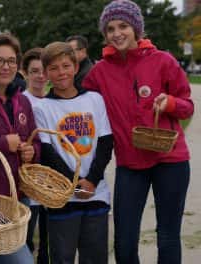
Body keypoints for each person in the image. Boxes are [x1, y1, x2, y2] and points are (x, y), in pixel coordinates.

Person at [82, 1, 194, 263]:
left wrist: (171, 103)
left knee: (167, 235)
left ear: (136, 28)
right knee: (124, 238)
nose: (117, 33)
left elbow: (187, 107)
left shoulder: (163, 61)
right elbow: (80, 101)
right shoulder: (99, 72)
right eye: (110, 28)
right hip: (130, 164)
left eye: (123, 26)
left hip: (170, 161)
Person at [34, 41, 113, 264]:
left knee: (95, 258)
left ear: (76, 67)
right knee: (62, 257)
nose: (61, 72)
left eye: (66, 66)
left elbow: (105, 143)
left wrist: (92, 181)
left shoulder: (94, 100)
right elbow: (48, 152)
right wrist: (75, 184)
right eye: (54, 68)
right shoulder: (42, 107)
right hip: (62, 197)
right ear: (46, 73)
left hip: (96, 193)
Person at [0, 33, 40, 264]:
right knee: (20, 258)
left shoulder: (22, 100)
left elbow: (35, 139)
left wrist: (32, 151)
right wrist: (3, 143)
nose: (6, 66)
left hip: (20, 193)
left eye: (12, 61)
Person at [21, 47, 49, 264]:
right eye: (34, 71)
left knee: (49, 240)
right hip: (29, 181)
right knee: (26, 237)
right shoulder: (21, 102)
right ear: (25, 73)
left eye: (44, 71)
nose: (40, 76)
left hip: (52, 181)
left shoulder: (53, 102)